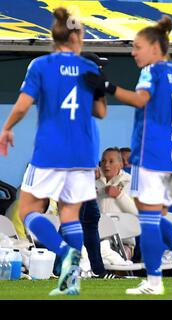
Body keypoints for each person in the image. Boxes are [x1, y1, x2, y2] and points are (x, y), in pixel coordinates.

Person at [84, 15, 172, 295]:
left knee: (146, 220)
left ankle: (154, 282)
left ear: (154, 48)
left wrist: (107, 87)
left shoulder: (152, 71)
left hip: (151, 156)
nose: (133, 52)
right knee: (159, 218)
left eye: (137, 47)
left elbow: (140, 100)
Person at [0, 7, 106, 295]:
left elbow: (23, 104)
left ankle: (64, 253)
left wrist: (7, 127)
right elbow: (99, 112)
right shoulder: (89, 68)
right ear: (78, 37)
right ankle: (70, 280)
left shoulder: (41, 65)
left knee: (28, 209)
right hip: (83, 154)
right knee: (70, 214)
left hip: (52, 150)